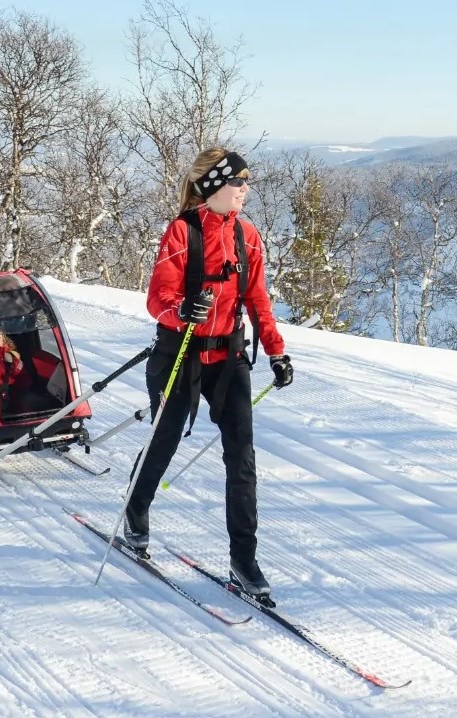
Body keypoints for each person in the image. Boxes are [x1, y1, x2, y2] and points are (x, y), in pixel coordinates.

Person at [119, 147, 295, 602]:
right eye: (239, 181)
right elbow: (158, 298)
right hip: (180, 351)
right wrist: (183, 310)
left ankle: (244, 560)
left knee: (243, 459)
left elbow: (258, 302)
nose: (245, 189)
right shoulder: (182, 232)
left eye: (245, 182)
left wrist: (276, 353)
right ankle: (135, 515)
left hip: (230, 357)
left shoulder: (247, 236)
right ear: (216, 185)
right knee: (166, 438)